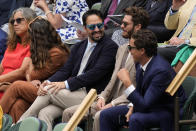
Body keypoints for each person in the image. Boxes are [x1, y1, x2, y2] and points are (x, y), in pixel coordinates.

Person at [19, 9, 118, 131]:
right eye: (92, 27)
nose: (97, 29)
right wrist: (48, 81)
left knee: (48, 90)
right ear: (85, 28)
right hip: (73, 93)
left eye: (100, 25)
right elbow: (65, 71)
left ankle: (20, 123)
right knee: (45, 112)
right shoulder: (78, 46)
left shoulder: (110, 47)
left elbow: (95, 74)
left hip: (91, 95)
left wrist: (64, 84)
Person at [62, 6, 150, 131]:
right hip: (110, 98)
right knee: (68, 113)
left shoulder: (144, 52)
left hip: (128, 103)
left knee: (99, 116)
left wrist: (112, 104)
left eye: (125, 24)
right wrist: (103, 97)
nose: (121, 27)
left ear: (137, 27)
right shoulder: (122, 49)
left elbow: (139, 90)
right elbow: (113, 79)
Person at [99, 29, 186, 131]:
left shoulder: (161, 71)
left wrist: (127, 82)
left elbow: (144, 105)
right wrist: (132, 106)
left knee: (136, 119)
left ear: (142, 51)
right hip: (150, 106)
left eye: (131, 48)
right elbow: (140, 92)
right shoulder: (140, 62)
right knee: (105, 114)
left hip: (167, 112)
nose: (129, 51)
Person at [0, 17, 70, 123]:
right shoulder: (43, 50)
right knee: (18, 105)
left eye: (31, 35)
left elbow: (32, 75)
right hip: (40, 88)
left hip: (53, 92)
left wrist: (31, 68)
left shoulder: (57, 53)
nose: (29, 38)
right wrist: (31, 77)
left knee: (16, 86)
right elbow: (32, 76)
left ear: (39, 37)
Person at [0, 8, 37, 98]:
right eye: (13, 21)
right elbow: (1, 67)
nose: (15, 24)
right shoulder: (12, 44)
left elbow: (22, 71)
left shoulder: (34, 44)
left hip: (12, 86)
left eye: (19, 20)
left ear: (30, 21)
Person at [165, 0, 196, 76]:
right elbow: (169, 25)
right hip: (174, 44)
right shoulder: (189, 1)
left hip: (190, 47)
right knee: (141, 48)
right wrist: (175, 8)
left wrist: (186, 41)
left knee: (153, 53)